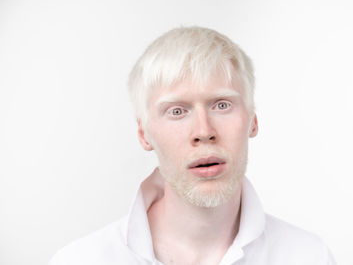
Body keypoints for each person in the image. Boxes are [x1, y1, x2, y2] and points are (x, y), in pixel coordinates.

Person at [49, 26, 336, 265]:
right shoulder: (80, 260)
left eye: (222, 105)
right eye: (177, 111)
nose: (203, 131)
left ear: (253, 121)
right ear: (144, 134)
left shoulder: (309, 257)